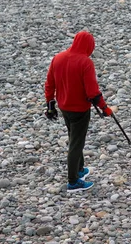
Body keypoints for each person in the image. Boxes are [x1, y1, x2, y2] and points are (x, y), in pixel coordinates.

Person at [44, 31, 113, 192]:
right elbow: (92, 92)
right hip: (80, 110)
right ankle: (73, 181)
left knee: (74, 137)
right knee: (76, 143)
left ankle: (80, 169)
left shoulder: (58, 58)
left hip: (64, 107)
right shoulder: (85, 62)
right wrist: (104, 108)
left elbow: (49, 84)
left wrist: (50, 106)